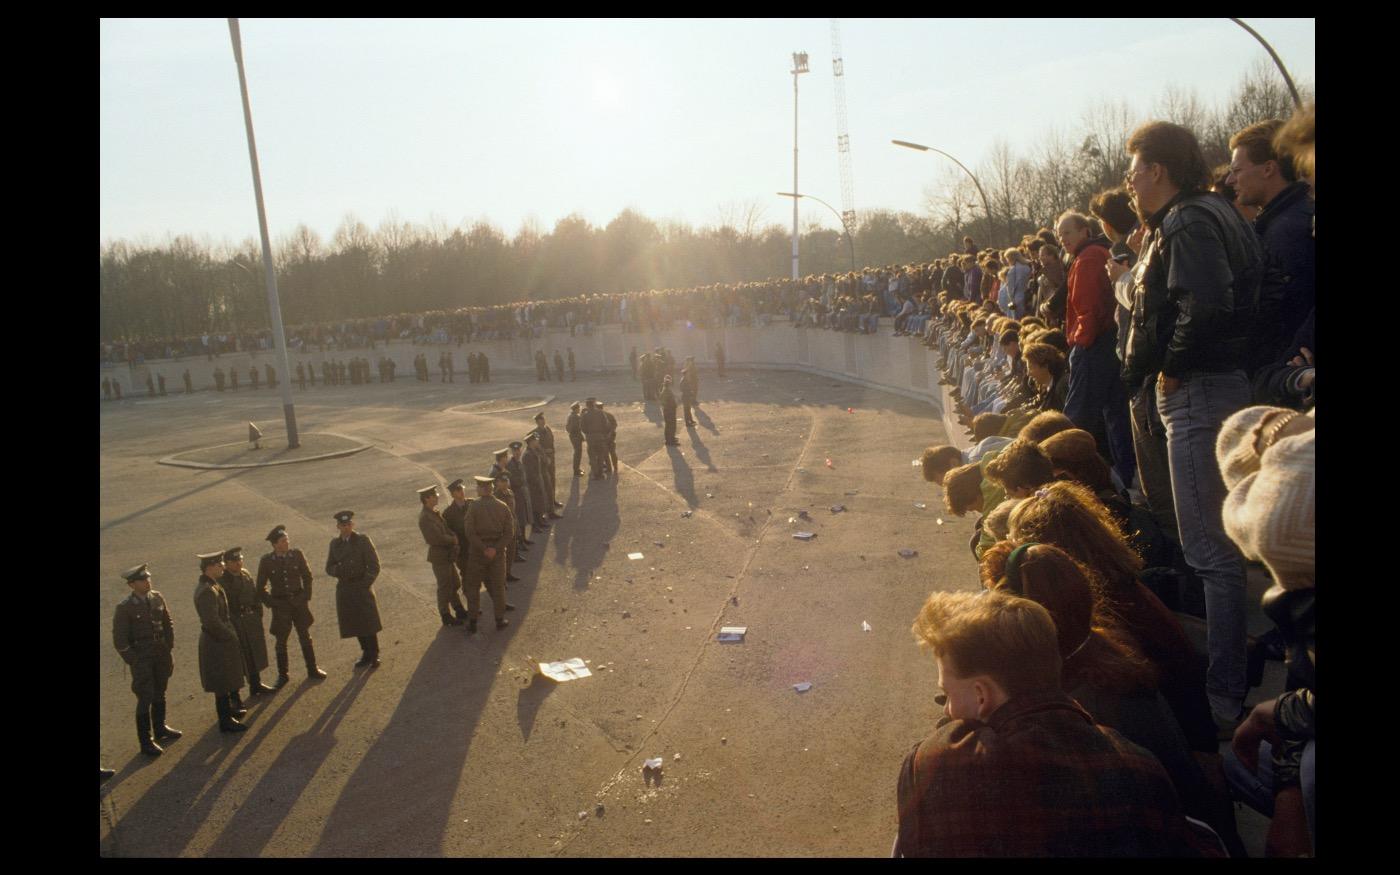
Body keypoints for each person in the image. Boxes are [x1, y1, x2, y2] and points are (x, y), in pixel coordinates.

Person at [1122, 120, 1261, 735]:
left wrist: (1173, 369)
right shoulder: (1207, 214)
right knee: (1221, 547)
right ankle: (1233, 677)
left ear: (1157, 169)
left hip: (1200, 390)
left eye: (1134, 169)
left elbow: (1204, 304)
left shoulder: (1189, 219)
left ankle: (1223, 699)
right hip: (1217, 385)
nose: (1127, 181)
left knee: (1210, 550)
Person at [896, 590, 1198, 857]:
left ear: (981, 694)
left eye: (946, 694)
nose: (947, 711)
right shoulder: (1141, 768)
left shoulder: (933, 765)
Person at [1056, 210, 1136, 487]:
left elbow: (1088, 308)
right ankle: (1124, 479)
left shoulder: (1087, 259)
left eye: (1067, 232)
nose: (1062, 239)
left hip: (1093, 344)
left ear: (1084, 231)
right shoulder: (1100, 253)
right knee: (1116, 415)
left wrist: (1080, 342)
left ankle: (1067, 482)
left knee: (1075, 420)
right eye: (1059, 234)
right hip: (1109, 343)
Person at [113, 564, 180, 757]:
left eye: (148, 578)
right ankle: (146, 741)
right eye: (142, 580)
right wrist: (134, 660)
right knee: (145, 696)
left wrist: (169, 646)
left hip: (160, 654)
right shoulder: (125, 608)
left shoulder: (157, 597)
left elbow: (168, 623)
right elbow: (120, 640)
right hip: (142, 657)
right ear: (132, 585)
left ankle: (160, 728)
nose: (147, 582)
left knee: (161, 690)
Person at [256, 525, 326, 687]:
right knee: (281, 640)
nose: (287, 542)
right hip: (281, 606)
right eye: (282, 540)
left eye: (287, 539)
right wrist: (273, 603)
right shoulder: (266, 561)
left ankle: (312, 668)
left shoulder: (297, 555)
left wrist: (305, 597)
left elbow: (307, 577)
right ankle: (283, 675)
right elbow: (260, 587)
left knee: (305, 636)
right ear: (275, 544)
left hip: (298, 603)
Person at [193, 551, 248, 733]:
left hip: (219, 638)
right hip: (216, 641)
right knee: (221, 682)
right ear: (209, 567)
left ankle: (228, 714)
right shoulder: (207, 592)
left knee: (225, 678)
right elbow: (212, 621)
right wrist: (230, 635)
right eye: (219, 565)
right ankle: (225, 720)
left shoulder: (212, 585)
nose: (223, 567)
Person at [325, 510, 383, 667]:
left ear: (352, 525)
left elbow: (374, 565)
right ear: (338, 526)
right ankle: (365, 652)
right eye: (343, 525)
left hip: (361, 585)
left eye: (348, 524)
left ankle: (374, 653)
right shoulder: (335, 544)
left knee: (368, 622)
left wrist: (366, 583)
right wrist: (337, 571)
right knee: (354, 622)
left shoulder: (362, 540)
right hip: (345, 588)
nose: (346, 528)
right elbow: (329, 567)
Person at [462, 475, 516, 632]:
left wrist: (484, 548)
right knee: (498, 586)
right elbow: (509, 532)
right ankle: (499, 619)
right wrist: (495, 549)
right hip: (497, 554)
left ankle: (472, 622)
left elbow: (469, 532)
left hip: (478, 554)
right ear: (491, 488)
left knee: (473, 587)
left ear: (480, 489)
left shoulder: (473, 507)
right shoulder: (502, 506)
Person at [220, 547, 273, 698]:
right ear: (227, 564)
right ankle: (235, 697)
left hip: (250, 620)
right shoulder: (223, 581)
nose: (239, 563)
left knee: (253, 653)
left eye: (240, 559)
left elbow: (255, 594)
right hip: (236, 622)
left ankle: (256, 685)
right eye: (234, 561)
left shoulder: (245, 574)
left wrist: (258, 612)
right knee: (237, 660)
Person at [418, 485, 465, 627]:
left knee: (454, 583)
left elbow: (445, 529)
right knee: (445, 586)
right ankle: (445, 615)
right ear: (427, 499)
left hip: (447, 555)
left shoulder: (433, 512)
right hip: (439, 555)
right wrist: (453, 539)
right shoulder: (426, 518)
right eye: (434, 495)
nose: (438, 496)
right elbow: (435, 538)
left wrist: (453, 536)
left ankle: (459, 609)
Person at [532, 412, 563, 514]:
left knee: (552, 479)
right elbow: (536, 447)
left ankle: (552, 500)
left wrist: (552, 452)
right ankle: (547, 504)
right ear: (537, 422)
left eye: (544, 419)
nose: (543, 421)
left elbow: (552, 441)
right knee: (546, 482)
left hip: (551, 458)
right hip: (543, 460)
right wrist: (545, 454)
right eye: (541, 420)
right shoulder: (535, 433)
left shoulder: (548, 429)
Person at [522, 432, 553, 529]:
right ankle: (535, 524)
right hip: (533, 483)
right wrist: (536, 482)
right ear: (531, 442)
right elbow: (530, 472)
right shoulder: (527, 455)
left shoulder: (534, 451)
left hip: (538, 479)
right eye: (535, 440)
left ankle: (539, 520)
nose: (537, 441)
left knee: (539, 501)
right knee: (534, 502)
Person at [580, 397, 610, 478]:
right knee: (600, 455)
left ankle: (595, 473)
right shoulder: (600, 413)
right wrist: (603, 433)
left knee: (592, 456)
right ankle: (601, 473)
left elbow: (582, 427)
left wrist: (588, 433)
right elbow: (606, 424)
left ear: (587, 405)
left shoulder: (585, 415)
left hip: (590, 438)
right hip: (600, 436)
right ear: (594, 404)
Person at [599, 402, 620, 475]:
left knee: (605, 454)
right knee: (613, 453)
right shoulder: (609, 415)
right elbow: (615, 425)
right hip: (611, 437)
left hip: (603, 438)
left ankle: (609, 468)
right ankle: (615, 466)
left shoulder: (597, 416)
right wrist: (611, 433)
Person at [566, 402, 585, 477]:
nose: (579, 410)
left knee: (577, 453)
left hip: (574, 436)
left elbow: (567, 428)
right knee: (577, 454)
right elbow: (576, 428)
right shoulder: (575, 417)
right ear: (576, 409)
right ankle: (576, 470)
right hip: (576, 437)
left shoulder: (571, 416)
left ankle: (577, 469)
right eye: (579, 408)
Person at [660, 376, 679, 446]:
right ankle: (669, 440)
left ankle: (671, 438)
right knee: (670, 425)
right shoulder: (666, 391)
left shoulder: (665, 390)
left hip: (669, 411)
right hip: (669, 411)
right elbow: (666, 402)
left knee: (671, 425)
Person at [680, 358, 699, 427]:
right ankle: (687, 423)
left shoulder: (686, 380)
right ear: (685, 374)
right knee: (686, 410)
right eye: (687, 373)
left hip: (687, 397)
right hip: (685, 397)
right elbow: (683, 389)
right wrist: (689, 393)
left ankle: (690, 420)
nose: (689, 374)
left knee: (689, 409)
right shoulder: (683, 381)